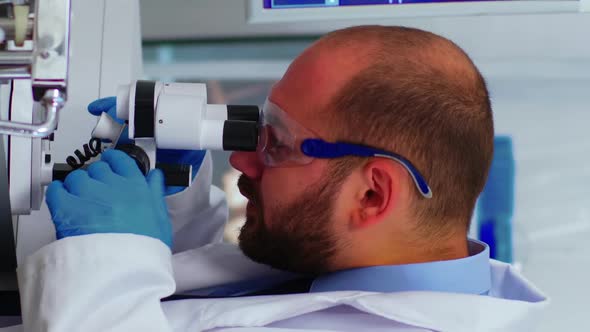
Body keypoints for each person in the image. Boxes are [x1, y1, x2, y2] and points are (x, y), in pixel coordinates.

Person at [16, 26, 547, 331]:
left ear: (371, 194)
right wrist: (176, 199)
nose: (243, 161)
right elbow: (196, 312)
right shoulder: (342, 259)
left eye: (279, 143)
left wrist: (108, 258)